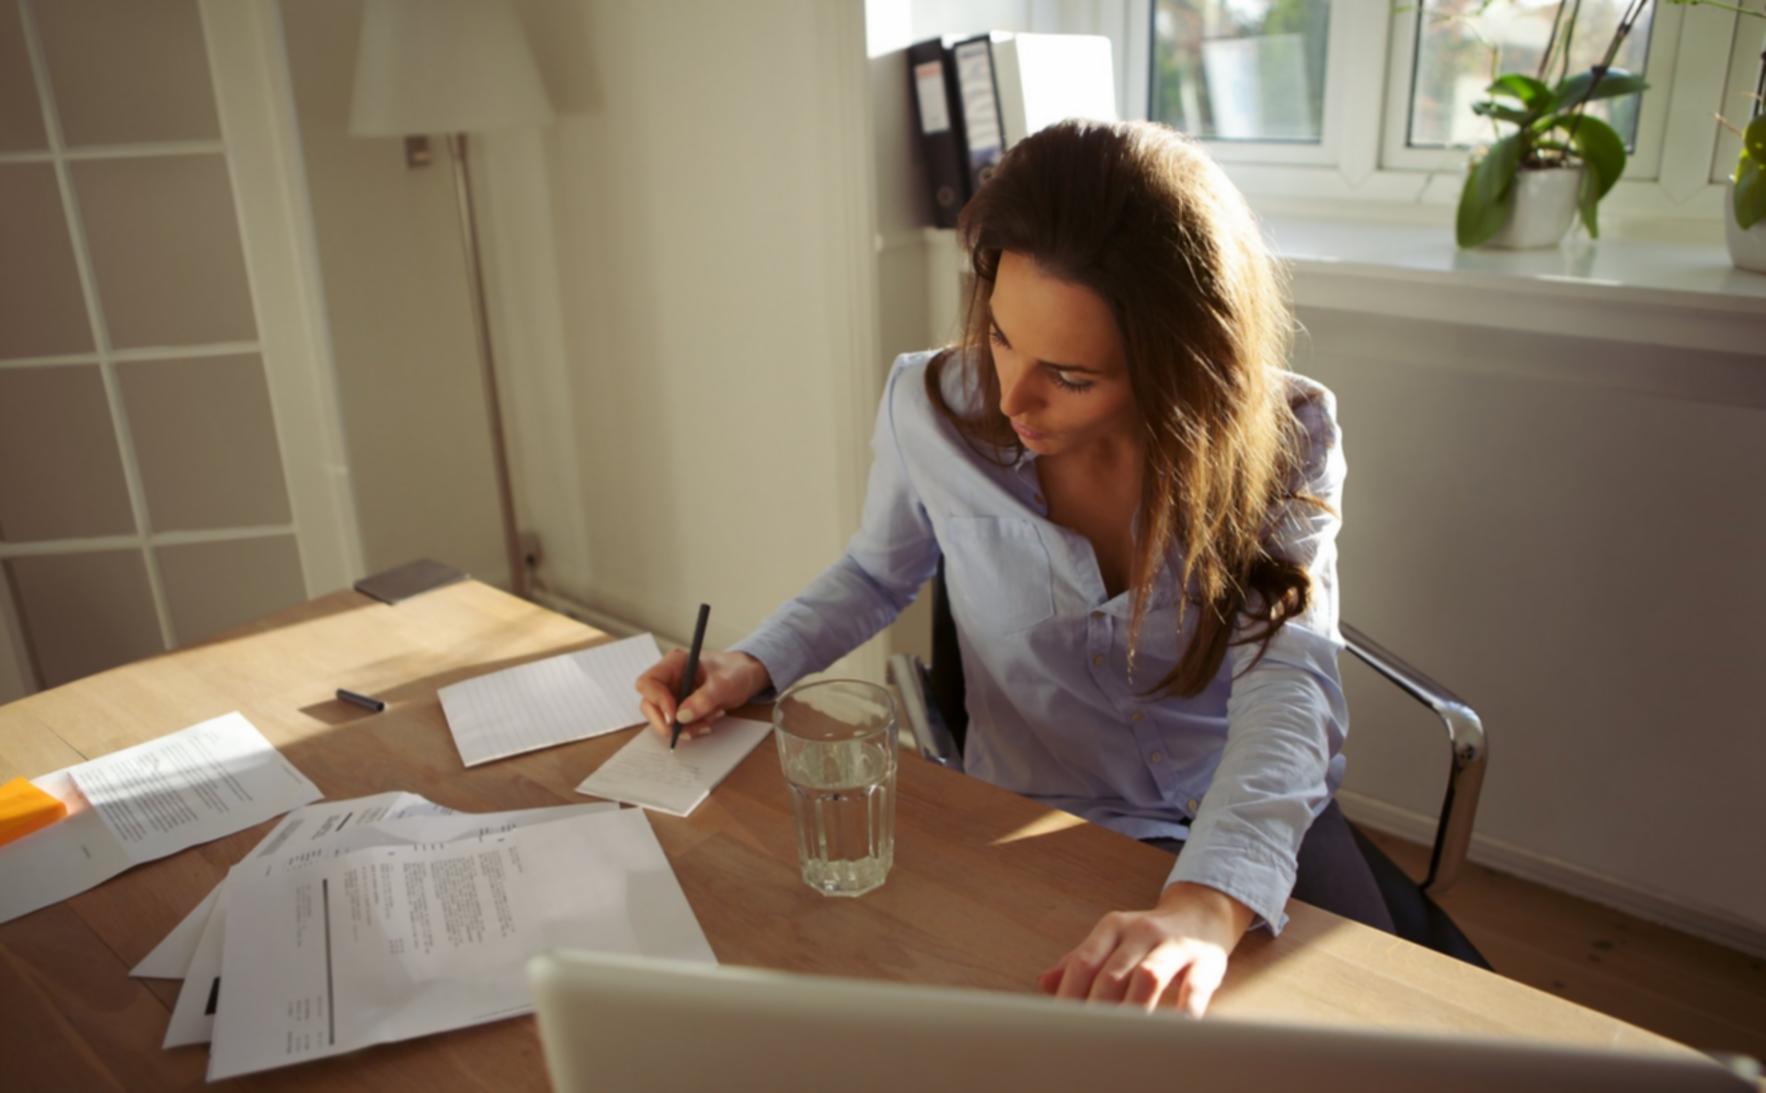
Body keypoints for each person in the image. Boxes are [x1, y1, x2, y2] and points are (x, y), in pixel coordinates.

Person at [635, 118, 1393, 1018]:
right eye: (999, 337)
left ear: (1181, 369)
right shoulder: (931, 409)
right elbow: (875, 575)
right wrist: (751, 663)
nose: (1011, 397)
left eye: (1071, 377)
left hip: (1251, 815)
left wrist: (1204, 904)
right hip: (1048, 822)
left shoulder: (1288, 433)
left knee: (1400, 1035)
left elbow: (1289, 688)